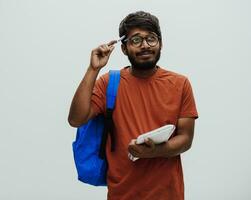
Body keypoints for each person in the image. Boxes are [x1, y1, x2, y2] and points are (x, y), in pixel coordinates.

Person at [68, 11, 198, 200]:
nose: (145, 45)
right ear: (124, 48)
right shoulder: (109, 83)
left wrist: (156, 151)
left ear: (160, 43)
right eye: (136, 40)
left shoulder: (180, 84)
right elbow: (76, 119)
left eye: (151, 39)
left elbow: (185, 139)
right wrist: (93, 69)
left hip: (168, 194)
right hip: (121, 194)